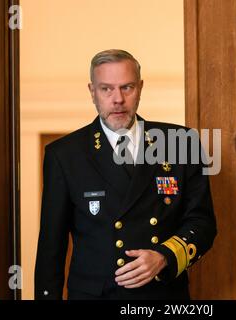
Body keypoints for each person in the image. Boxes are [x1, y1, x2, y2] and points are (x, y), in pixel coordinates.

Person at [34, 49, 217, 300]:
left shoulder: (181, 144)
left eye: (127, 87)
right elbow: (50, 248)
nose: (117, 99)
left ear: (140, 88)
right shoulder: (65, 154)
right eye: (106, 89)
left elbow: (202, 223)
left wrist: (165, 256)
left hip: (162, 296)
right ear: (92, 92)